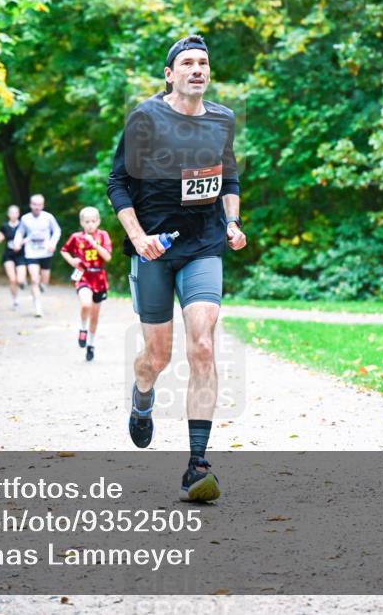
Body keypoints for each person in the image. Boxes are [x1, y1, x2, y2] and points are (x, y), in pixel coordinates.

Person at [106, 34, 246, 502]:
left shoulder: (222, 120)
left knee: (203, 345)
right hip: (153, 251)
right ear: (170, 74)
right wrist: (137, 236)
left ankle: (197, 465)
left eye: (203, 62)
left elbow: (228, 176)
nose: (197, 69)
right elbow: (118, 182)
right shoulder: (146, 118)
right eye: (187, 62)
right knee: (158, 357)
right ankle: (142, 395)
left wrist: (232, 222)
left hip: (204, 244)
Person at [60, 206, 112, 362]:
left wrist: (94, 244)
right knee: (85, 305)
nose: (90, 224)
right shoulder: (76, 237)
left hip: (99, 276)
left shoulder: (103, 236)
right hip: (83, 275)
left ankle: (91, 344)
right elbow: (64, 250)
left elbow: (108, 257)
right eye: (87, 221)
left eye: (93, 221)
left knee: (95, 317)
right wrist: (72, 261)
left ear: (98, 221)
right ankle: (82, 328)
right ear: (81, 222)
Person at [12, 194, 61, 317]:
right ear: (30, 205)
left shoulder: (48, 217)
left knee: (44, 282)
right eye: (34, 204)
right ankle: (38, 308)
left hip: (46, 252)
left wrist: (52, 243)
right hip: (31, 253)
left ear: (43, 205)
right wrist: (17, 242)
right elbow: (20, 232)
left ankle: (42, 286)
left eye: (39, 205)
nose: (37, 207)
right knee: (34, 280)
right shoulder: (25, 219)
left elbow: (57, 230)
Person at [0, 205, 27, 309]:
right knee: (12, 279)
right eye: (11, 213)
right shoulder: (4, 226)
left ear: (18, 214)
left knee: (20, 279)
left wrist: (21, 242)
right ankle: (15, 299)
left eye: (16, 212)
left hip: (20, 254)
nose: (13, 215)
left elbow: (29, 238)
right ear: (8, 214)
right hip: (8, 255)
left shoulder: (23, 226)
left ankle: (22, 282)